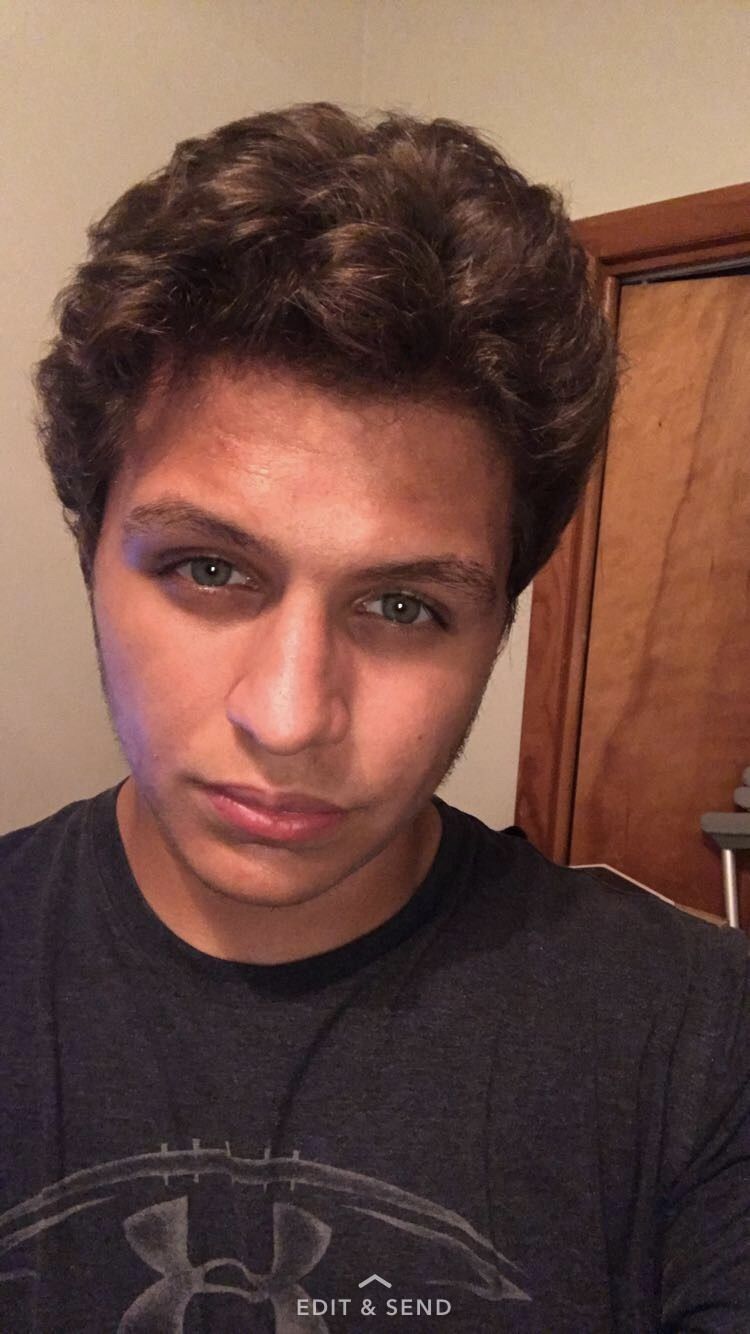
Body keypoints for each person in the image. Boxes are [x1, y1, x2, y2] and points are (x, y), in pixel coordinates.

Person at [1, 102, 747, 1334]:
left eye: (403, 604)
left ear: (499, 623)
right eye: (208, 569)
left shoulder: (699, 1046)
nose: (290, 715)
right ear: (92, 554)